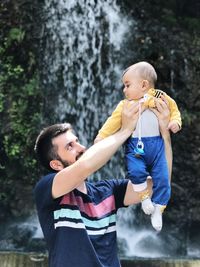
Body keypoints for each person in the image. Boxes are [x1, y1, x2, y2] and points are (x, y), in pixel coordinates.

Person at [34, 100, 171, 267]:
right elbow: (85, 166)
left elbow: (161, 183)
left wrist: (164, 134)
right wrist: (125, 130)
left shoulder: (109, 191)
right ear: (56, 164)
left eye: (77, 141)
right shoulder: (47, 188)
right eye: (70, 146)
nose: (82, 147)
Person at [94, 61, 182, 232]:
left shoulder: (161, 97)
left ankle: (158, 209)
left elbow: (174, 109)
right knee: (135, 172)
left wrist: (175, 122)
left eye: (127, 85)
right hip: (136, 145)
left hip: (157, 144)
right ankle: (144, 198)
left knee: (163, 178)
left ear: (143, 85)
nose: (124, 90)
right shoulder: (125, 105)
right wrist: (102, 136)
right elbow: (112, 121)